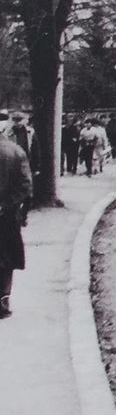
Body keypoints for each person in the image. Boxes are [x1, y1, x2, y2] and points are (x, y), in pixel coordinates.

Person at [0, 125, 34, 319]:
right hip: (7, 216)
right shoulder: (15, 151)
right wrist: (8, 205)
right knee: (5, 259)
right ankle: (3, 302)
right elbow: (25, 186)